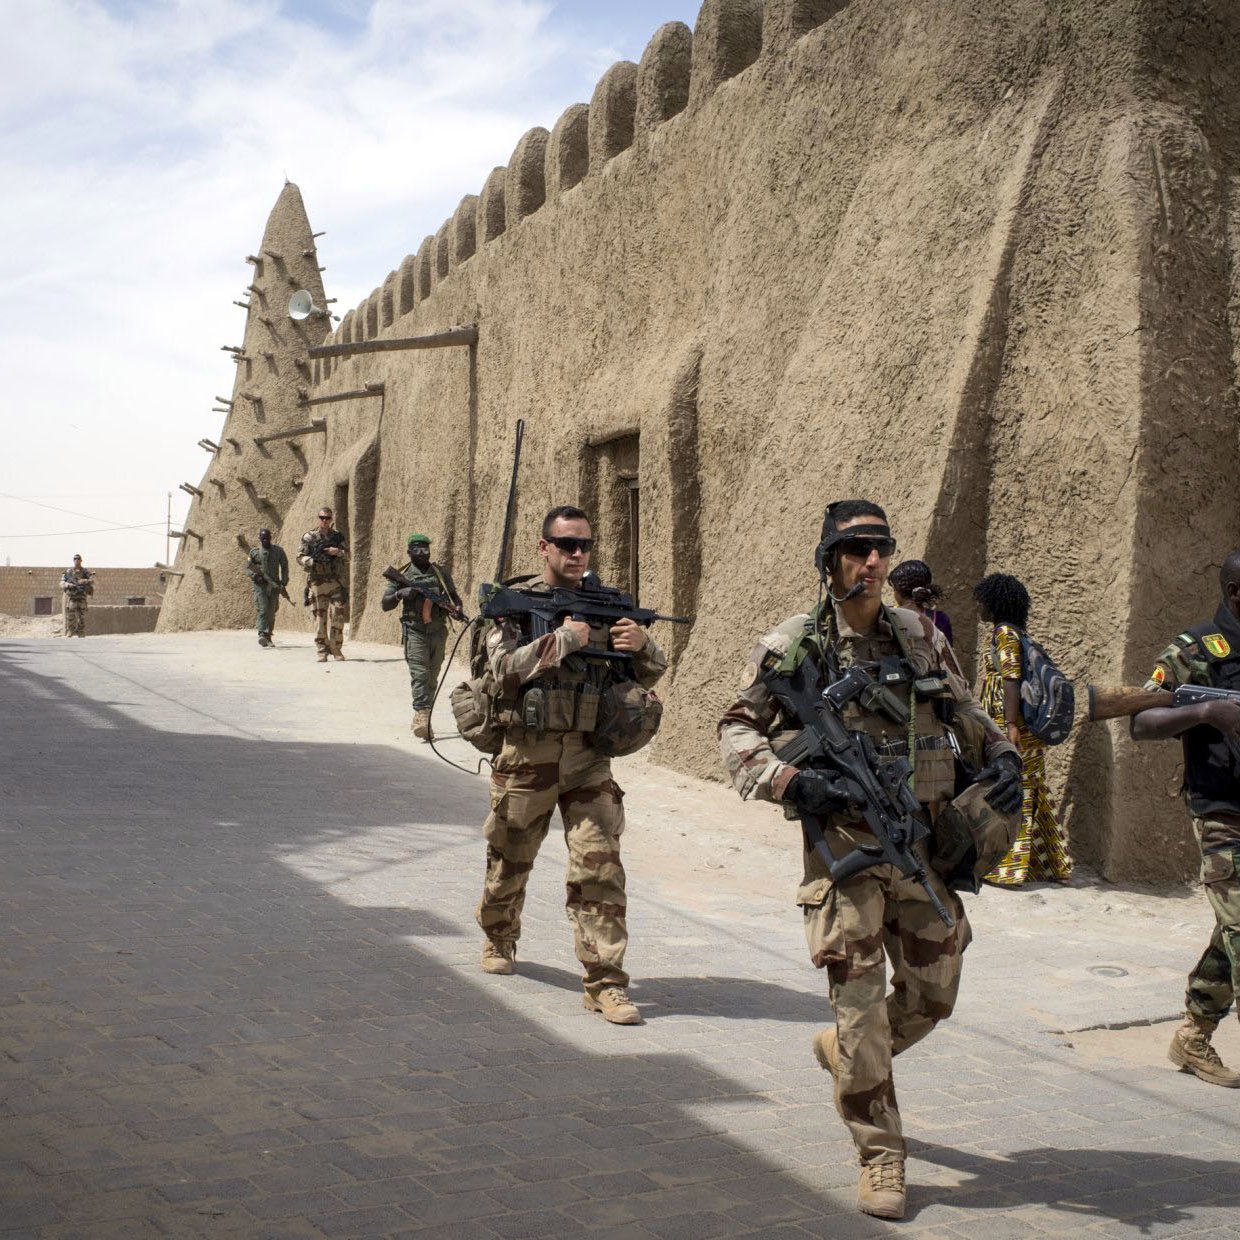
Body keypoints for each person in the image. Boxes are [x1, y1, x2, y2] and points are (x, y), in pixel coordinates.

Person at [718, 500, 1021, 1220]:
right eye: (856, 550)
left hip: (918, 842)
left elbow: (962, 708)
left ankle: (845, 1051)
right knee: (860, 1009)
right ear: (830, 562)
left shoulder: (917, 634)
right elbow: (736, 727)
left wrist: (1000, 751)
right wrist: (791, 779)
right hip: (846, 852)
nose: (873, 562)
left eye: (880, 549)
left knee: (933, 995)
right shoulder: (797, 645)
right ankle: (881, 1155)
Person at [475, 505, 667, 1026]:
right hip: (527, 754)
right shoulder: (516, 606)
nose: (578, 554)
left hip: (589, 757)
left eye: (585, 544)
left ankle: (605, 981)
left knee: (599, 866)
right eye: (566, 545)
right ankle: (499, 933)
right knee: (509, 859)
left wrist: (644, 646)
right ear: (545, 548)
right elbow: (500, 669)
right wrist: (564, 640)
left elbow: (649, 672)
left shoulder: (607, 604)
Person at [1131, 550, 1240, 1089]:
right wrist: (1204, 712)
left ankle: (1194, 1035)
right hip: (1222, 811)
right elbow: (1141, 718)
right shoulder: (1197, 649)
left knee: (1232, 927)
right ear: (1234, 592)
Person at [972, 573, 1072, 885]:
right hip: (1021, 727)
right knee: (1033, 788)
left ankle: (1008, 868)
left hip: (1010, 726)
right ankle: (1050, 864)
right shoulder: (1017, 632)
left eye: (982, 601)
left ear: (995, 603)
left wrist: (1010, 725)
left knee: (1013, 790)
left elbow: (1011, 679)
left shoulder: (1003, 633)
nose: (978, 607)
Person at [380, 533, 463, 739]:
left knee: (432, 677)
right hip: (415, 631)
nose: (422, 553)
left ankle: (423, 714)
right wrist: (401, 593)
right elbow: (385, 603)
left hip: (437, 631)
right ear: (409, 552)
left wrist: (457, 608)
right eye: (417, 550)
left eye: (425, 549)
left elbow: (454, 596)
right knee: (420, 674)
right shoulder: (403, 575)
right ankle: (422, 714)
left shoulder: (440, 573)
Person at [297, 506, 348, 662]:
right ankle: (322, 650)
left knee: (338, 615)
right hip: (317, 582)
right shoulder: (309, 537)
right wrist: (312, 560)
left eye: (327, 518)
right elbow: (299, 557)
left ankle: (336, 648)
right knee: (320, 618)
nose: (324, 521)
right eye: (322, 518)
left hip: (336, 581)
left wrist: (337, 552)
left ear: (331, 519)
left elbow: (348, 555)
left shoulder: (338, 537)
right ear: (317, 518)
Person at [889, 559, 953, 645]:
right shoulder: (940, 619)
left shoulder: (888, 618)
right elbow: (947, 655)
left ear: (898, 591)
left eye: (894, 589)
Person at [245, 528, 289, 648]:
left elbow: (284, 566)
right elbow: (248, 568)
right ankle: (262, 634)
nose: (265, 540)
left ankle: (268, 636)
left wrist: (283, 583)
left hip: (274, 586)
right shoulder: (254, 552)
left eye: (267, 538)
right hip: (260, 586)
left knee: (271, 612)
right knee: (263, 609)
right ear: (259, 538)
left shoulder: (278, 551)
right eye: (263, 538)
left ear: (270, 538)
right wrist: (255, 576)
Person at [60, 554, 94, 638]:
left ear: (81, 560)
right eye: (75, 559)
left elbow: (92, 581)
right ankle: (70, 631)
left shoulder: (85, 571)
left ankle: (81, 631)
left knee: (81, 616)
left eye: (78, 559)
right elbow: (61, 583)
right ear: (73, 560)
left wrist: (84, 581)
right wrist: (68, 585)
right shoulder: (68, 572)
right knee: (71, 615)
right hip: (72, 596)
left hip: (82, 596)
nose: (77, 560)